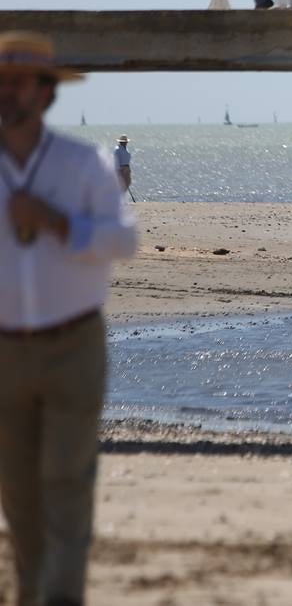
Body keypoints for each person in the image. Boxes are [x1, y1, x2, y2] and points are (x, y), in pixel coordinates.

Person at [0, 31, 138, 606]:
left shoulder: (85, 166)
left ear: (47, 93)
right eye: (0, 82)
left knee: (66, 482)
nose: (9, 92)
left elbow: (123, 240)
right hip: (4, 350)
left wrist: (58, 223)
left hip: (74, 342)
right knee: (19, 499)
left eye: (20, 82)